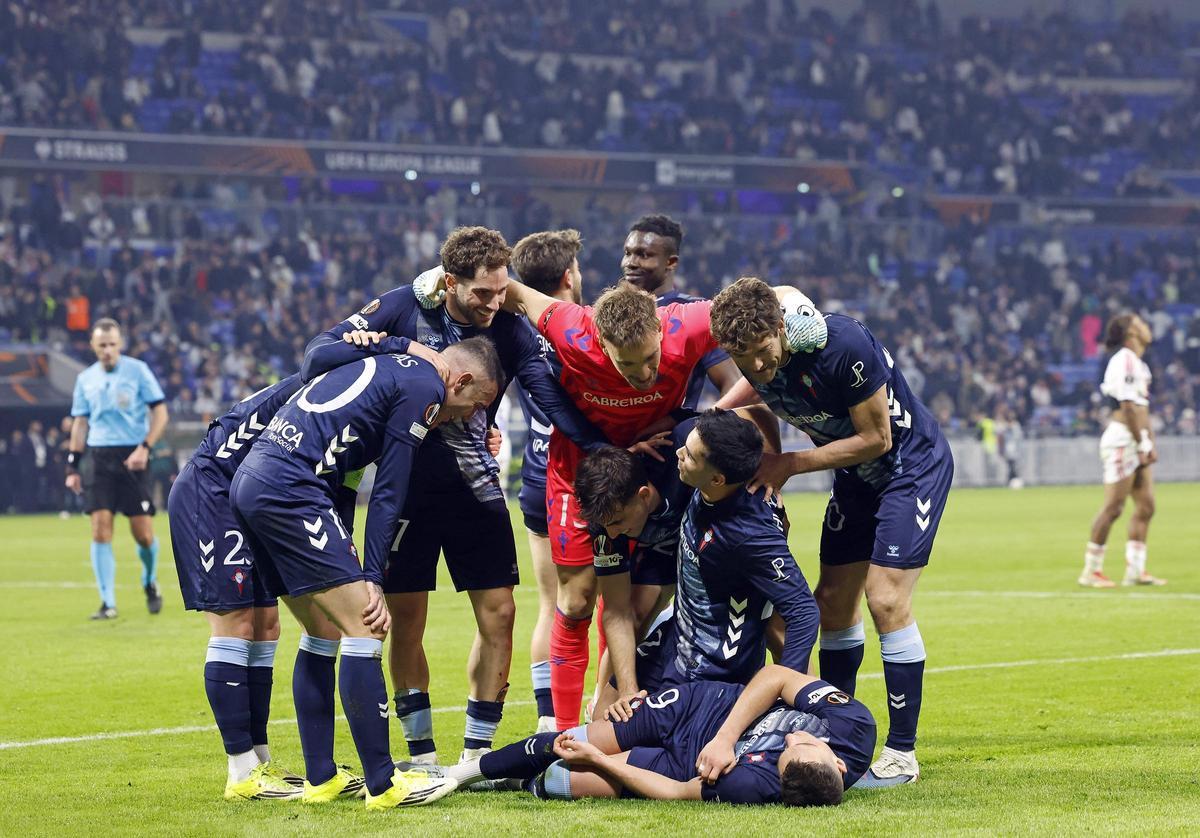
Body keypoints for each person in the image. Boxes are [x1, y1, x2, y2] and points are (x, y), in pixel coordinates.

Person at [305, 226, 606, 767]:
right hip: (403, 496)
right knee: (405, 623)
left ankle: (475, 755)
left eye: (501, 290)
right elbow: (316, 353)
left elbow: (553, 401)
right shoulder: (401, 309)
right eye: (482, 293)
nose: (495, 304)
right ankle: (420, 757)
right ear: (450, 283)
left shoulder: (512, 332)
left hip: (476, 493)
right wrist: (402, 345)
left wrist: (607, 446)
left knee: (500, 614)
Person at [230, 338, 502, 809]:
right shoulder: (425, 390)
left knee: (320, 632)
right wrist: (373, 575)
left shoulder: (391, 370)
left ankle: (322, 779)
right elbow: (389, 489)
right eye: (473, 406)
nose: (465, 419)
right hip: (291, 486)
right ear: (460, 381)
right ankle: (383, 782)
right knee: (367, 626)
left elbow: (315, 360)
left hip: (253, 480)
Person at [710, 278, 955, 788]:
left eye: (760, 351)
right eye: (741, 356)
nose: (755, 364)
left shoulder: (841, 345)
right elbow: (759, 378)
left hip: (909, 466)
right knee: (833, 603)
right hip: (855, 477)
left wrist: (788, 464)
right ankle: (836, 731)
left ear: (781, 328)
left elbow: (876, 438)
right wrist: (719, 410)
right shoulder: (760, 355)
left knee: (885, 598)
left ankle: (902, 753)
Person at [476, 275, 722, 730]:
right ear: (601, 343)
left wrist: (796, 304)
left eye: (651, 359)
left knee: (634, 605)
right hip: (579, 473)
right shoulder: (569, 326)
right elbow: (504, 286)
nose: (646, 374)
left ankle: (608, 718)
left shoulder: (686, 323)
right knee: (575, 601)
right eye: (629, 365)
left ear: (661, 331)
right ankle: (562, 732)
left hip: (649, 466)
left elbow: (760, 303)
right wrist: (432, 283)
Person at [168, 374, 314, 801]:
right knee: (236, 624)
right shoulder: (313, 389)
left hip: (248, 500)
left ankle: (261, 761)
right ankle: (240, 771)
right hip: (211, 491)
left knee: (268, 624)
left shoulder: (324, 388)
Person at [439, 664, 875, 806]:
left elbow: (678, 791)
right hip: (703, 708)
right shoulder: (853, 726)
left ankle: (513, 778)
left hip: (685, 765)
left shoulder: (760, 784)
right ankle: (464, 772)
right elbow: (776, 676)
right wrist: (724, 739)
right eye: (802, 739)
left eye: (785, 752)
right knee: (568, 736)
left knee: (559, 777)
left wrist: (600, 761)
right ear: (838, 761)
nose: (791, 740)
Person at [615, 409, 818, 709]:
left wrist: (786, 684)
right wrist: (668, 419)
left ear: (718, 479)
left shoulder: (749, 534)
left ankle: (810, 715)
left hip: (709, 671)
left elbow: (803, 611)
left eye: (691, 455)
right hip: (676, 643)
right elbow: (752, 411)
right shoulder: (710, 466)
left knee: (602, 747)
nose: (680, 453)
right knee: (604, 715)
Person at [508, 229, 587, 733]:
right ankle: (606, 706)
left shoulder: (512, 329)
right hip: (583, 473)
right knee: (609, 603)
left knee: (552, 606)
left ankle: (546, 721)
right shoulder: (578, 326)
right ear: (566, 276)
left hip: (538, 477)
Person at [573, 419, 694, 712]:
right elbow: (616, 611)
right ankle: (603, 706)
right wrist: (628, 692)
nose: (612, 534)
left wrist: (774, 470)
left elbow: (754, 416)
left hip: (713, 532)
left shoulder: (685, 450)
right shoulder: (605, 516)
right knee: (636, 611)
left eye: (617, 523)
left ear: (642, 496)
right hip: (661, 538)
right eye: (605, 526)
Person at [66, 318, 169, 620]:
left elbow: (160, 412)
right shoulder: (85, 378)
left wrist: (145, 447)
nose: (107, 350)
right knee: (100, 529)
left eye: (112, 345)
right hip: (99, 458)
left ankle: (149, 581)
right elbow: (80, 423)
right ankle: (107, 603)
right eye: (102, 346)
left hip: (133, 457)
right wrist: (72, 465)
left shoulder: (138, 371)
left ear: (120, 344)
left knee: (144, 535)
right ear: (93, 346)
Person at [620, 214, 742, 408]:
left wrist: (702, 430)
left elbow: (732, 382)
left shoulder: (695, 313)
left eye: (644, 255)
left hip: (673, 436)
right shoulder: (612, 312)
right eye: (627, 253)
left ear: (671, 262)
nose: (631, 262)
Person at [1081, 313, 1164, 587]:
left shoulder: (1138, 363)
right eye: (1140, 323)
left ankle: (1135, 571)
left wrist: (1148, 441)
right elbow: (1128, 407)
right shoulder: (1125, 359)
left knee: (1146, 505)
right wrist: (1142, 442)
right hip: (1123, 439)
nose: (1146, 327)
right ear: (1130, 332)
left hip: (1136, 439)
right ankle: (1091, 571)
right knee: (1114, 507)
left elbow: (1142, 409)